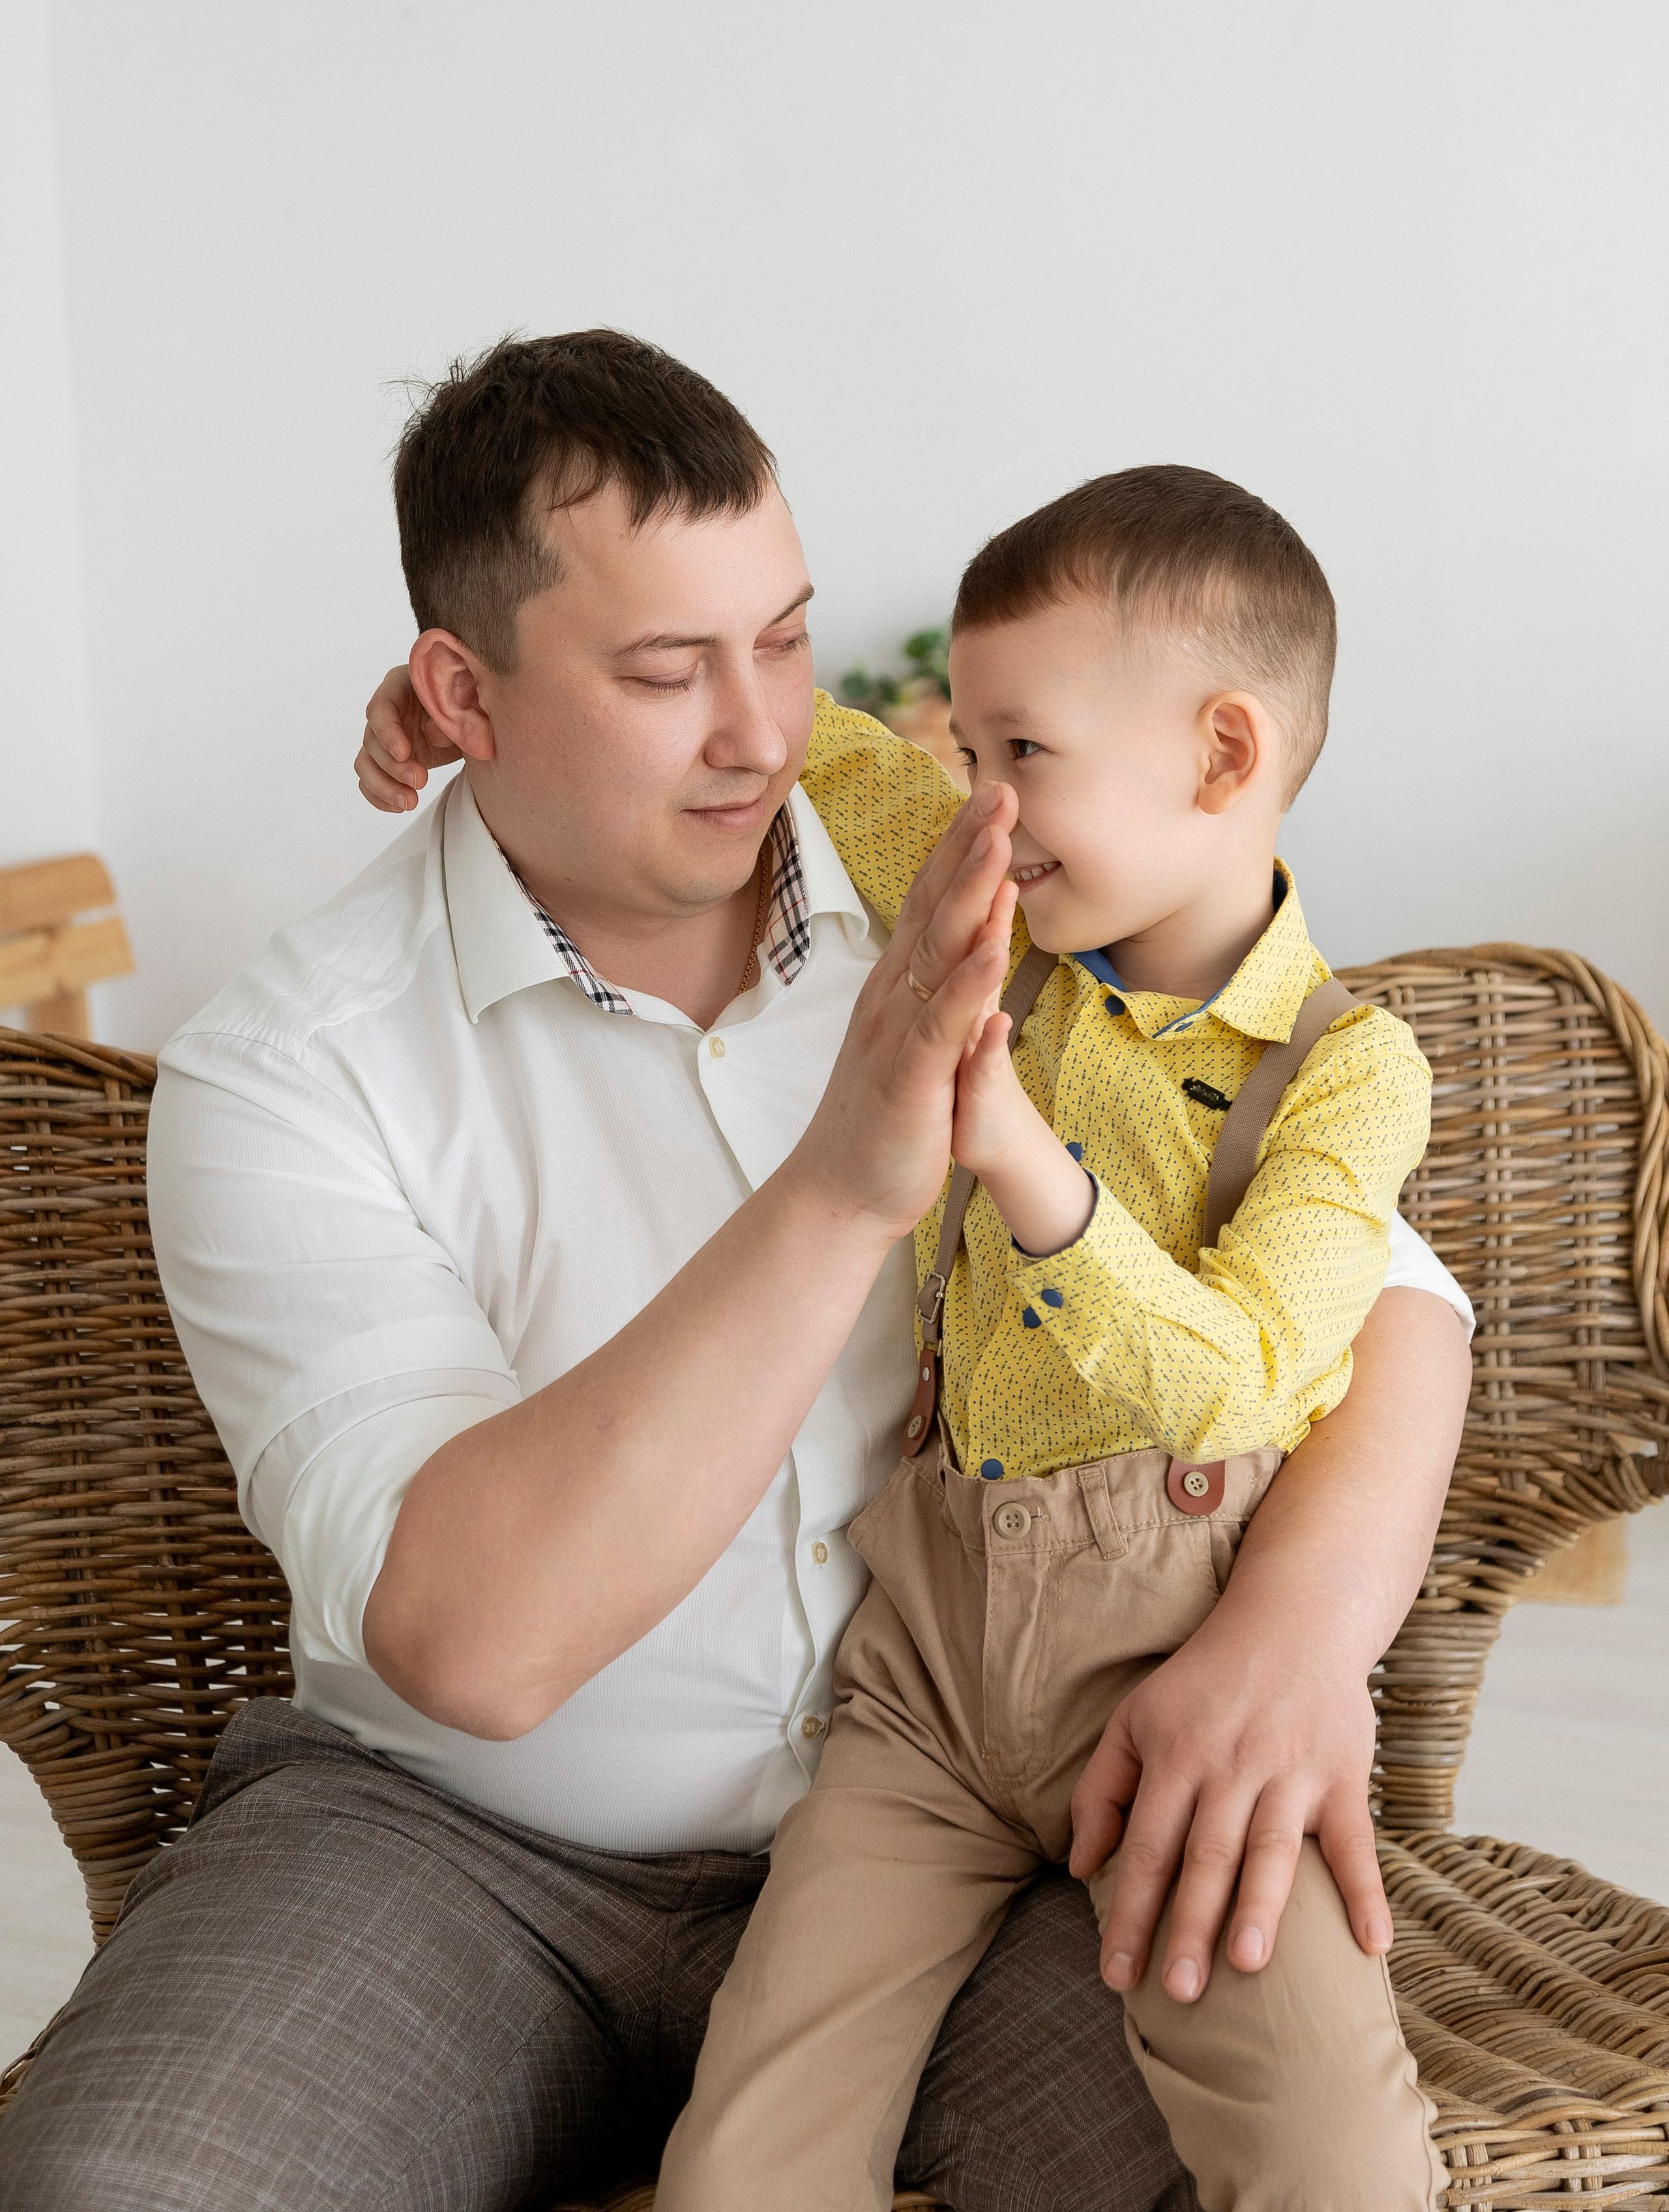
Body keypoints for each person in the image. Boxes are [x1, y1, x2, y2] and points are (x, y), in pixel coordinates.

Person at [0, 333, 1471, 2212]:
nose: (761, 734)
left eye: (782, 641)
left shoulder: (985, 897)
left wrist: (1299, 1635)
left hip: (994, 1815)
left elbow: (1384, 1301)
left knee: (1291, 2154)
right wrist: (846, 1186)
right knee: (123, 2190)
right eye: (661, 671)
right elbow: (473, 1650)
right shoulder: (290, 1067)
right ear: (460, 690)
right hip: (451, 1850)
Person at [656, 467, 1445, 2212]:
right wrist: (473, 694)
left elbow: (1248, 1376)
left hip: (1178, 1685)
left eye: (1023, 752)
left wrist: (1022, 1162)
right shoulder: (998, 922)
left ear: (1224, 756)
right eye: (971, 751)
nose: (983, 807)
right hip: (922, 1690)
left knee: (1334, 2153)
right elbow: (823, 751)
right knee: (747, 2149)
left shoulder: (1349, 1072)